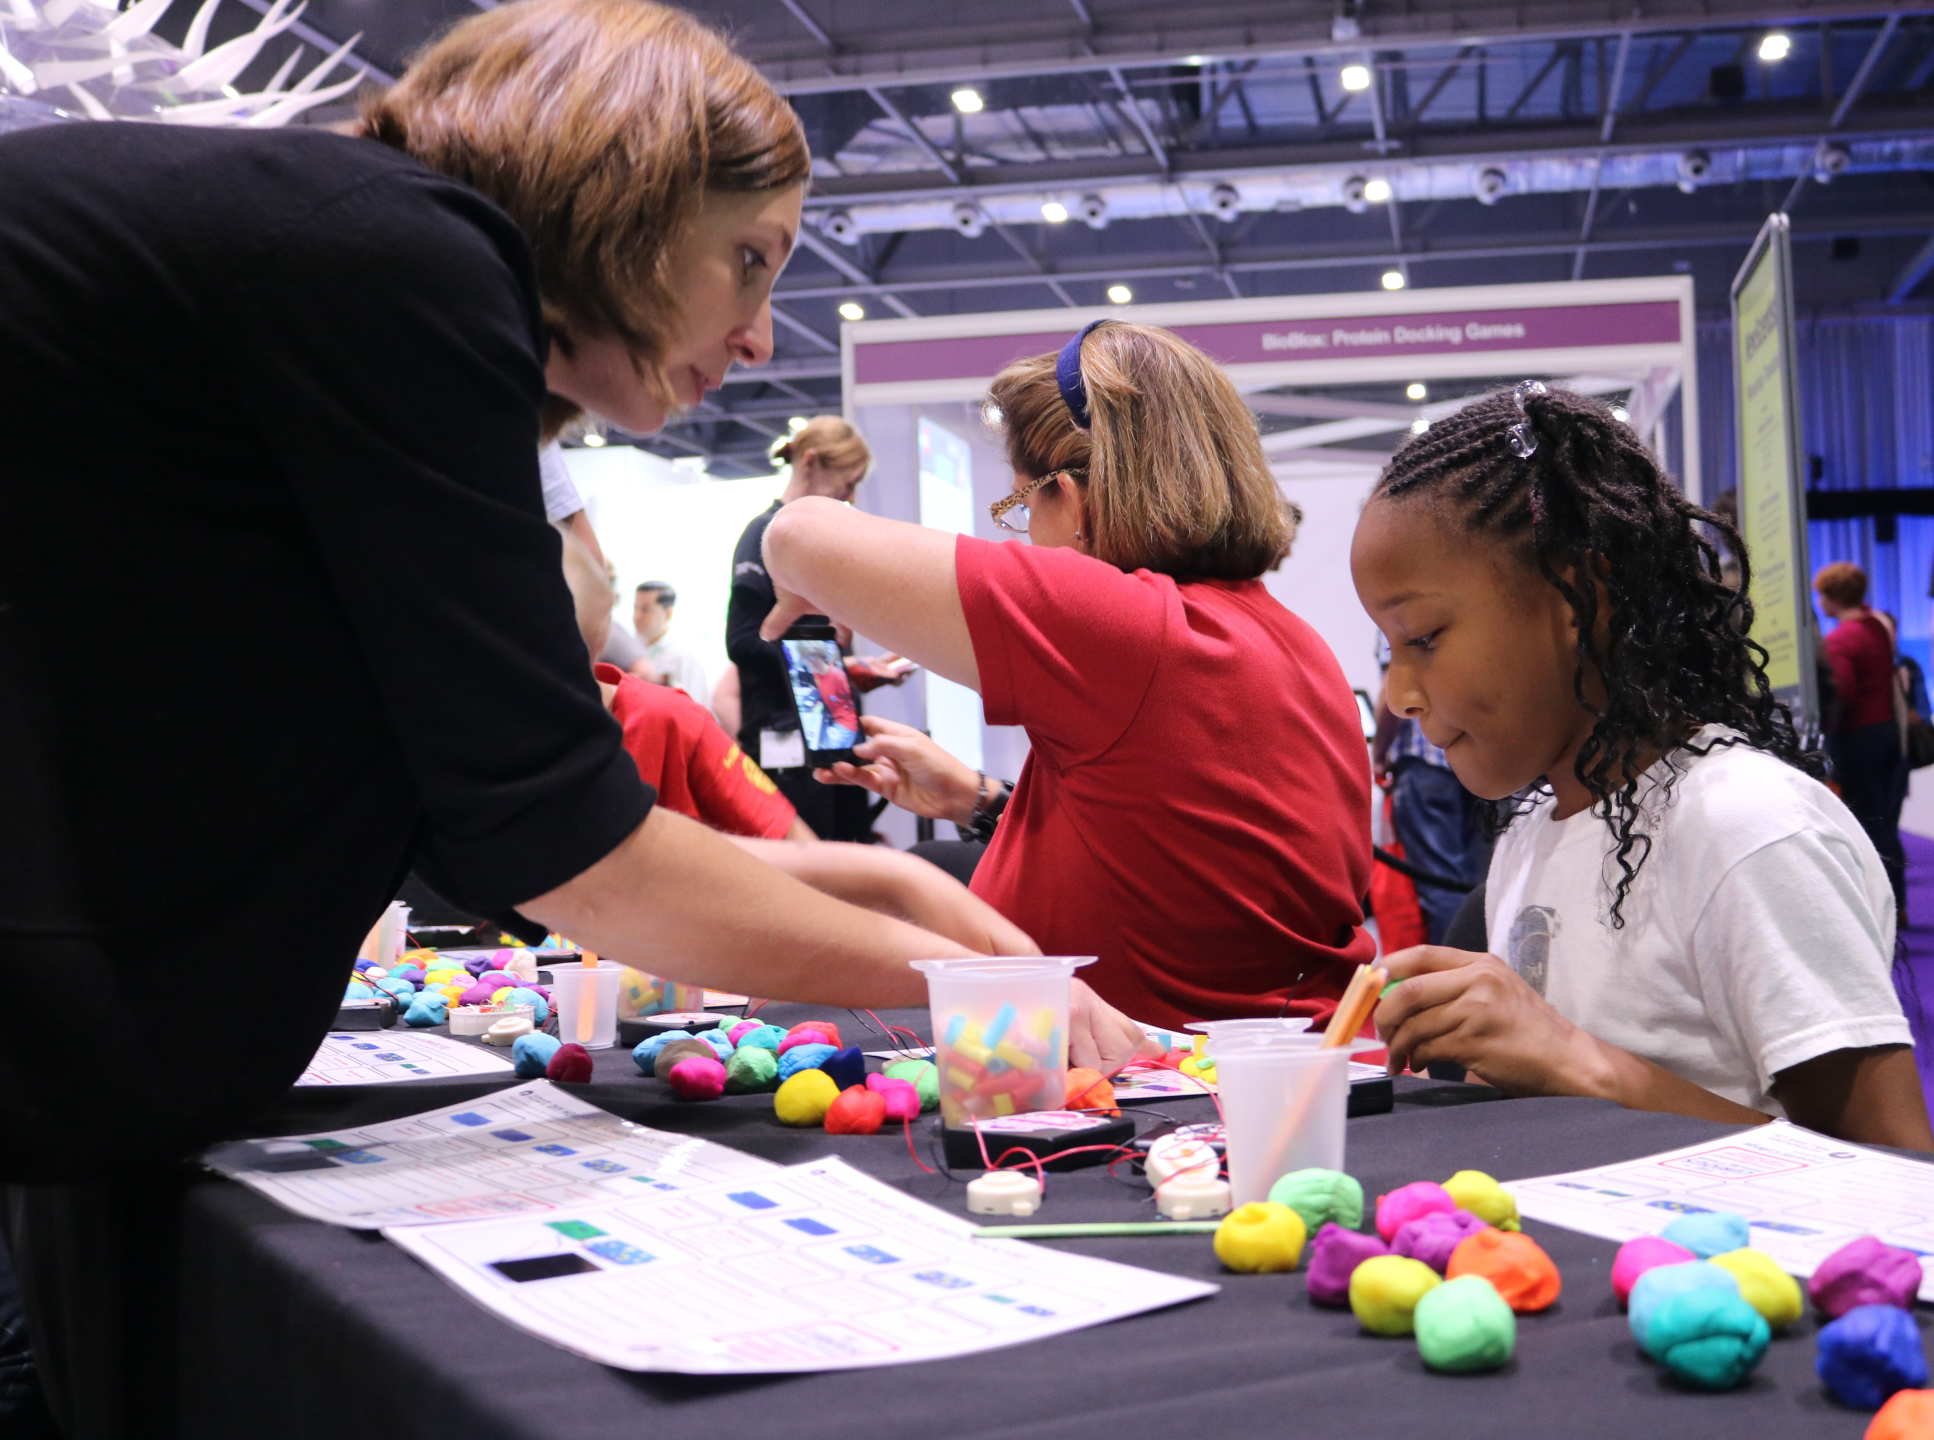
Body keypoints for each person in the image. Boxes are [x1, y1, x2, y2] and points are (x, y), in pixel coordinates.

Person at [1, 5, 1146, 1426]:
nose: (758, 330)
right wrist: (936, 980)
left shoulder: (321, 269)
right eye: (746, 256)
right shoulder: (398, 260)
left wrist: (884, 878)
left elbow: (482, 815)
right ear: (626, 189)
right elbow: (565, 848)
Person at [1355, 384, 1929, 1148]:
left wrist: (1581, 1064)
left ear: (1580, 596)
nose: (1401, 693)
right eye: (1387, 651)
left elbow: (1892, 1176)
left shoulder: (1745, 827)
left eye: (1422, 637)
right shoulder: (1536, 828)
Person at [763, 321, 1376, 1030]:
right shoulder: (1287, 639)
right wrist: (982, 800)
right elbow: (1176, 854)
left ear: (1074, 498)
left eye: (1023, 504)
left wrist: (795, 588)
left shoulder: (1127, 625)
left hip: (1169, 1096)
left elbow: (798, 533)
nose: (1022, 531)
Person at [726, 416, 878, 840]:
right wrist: (820, 663)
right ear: (810, 463)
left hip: (833, 737)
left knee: (851, 863)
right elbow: (741, 641)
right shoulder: (763, 535)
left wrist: (849, 668)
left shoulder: (815, 539)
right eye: (847, 482)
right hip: (785, 743)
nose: (849, 497)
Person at [1815, 562, 1908, 915]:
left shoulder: (1842, 639)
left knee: (1864, 823)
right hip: (1885, 734)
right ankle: (1897, 903)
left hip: (1855, 740)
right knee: (1884, 820)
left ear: (1832, 597)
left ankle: (1875, 906)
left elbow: (1843, 695)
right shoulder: (1877, 627)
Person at [633, 580, 710, 695]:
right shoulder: (629, 647)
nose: (637, 616)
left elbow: (694, 704)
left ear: (668, 614)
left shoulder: (684, 657)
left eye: (645, 610)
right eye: (635, 608)